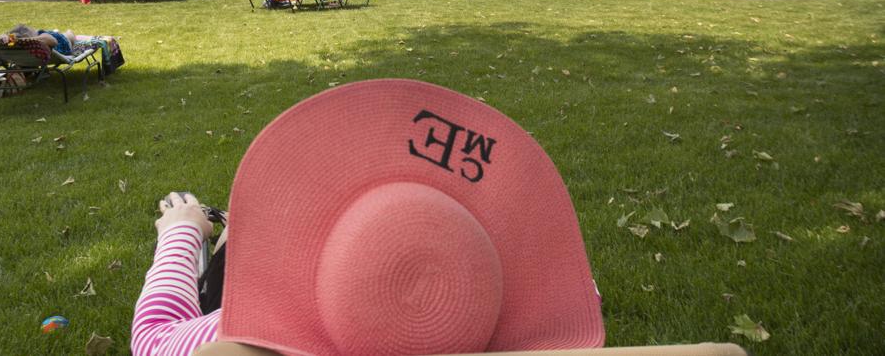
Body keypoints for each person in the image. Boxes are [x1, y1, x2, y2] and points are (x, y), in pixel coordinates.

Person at [131, 80, 605, 356]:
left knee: (229, 248)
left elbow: (153, 339)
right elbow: (583, 295)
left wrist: (182, 230)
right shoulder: (489, 309)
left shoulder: (245, 340)